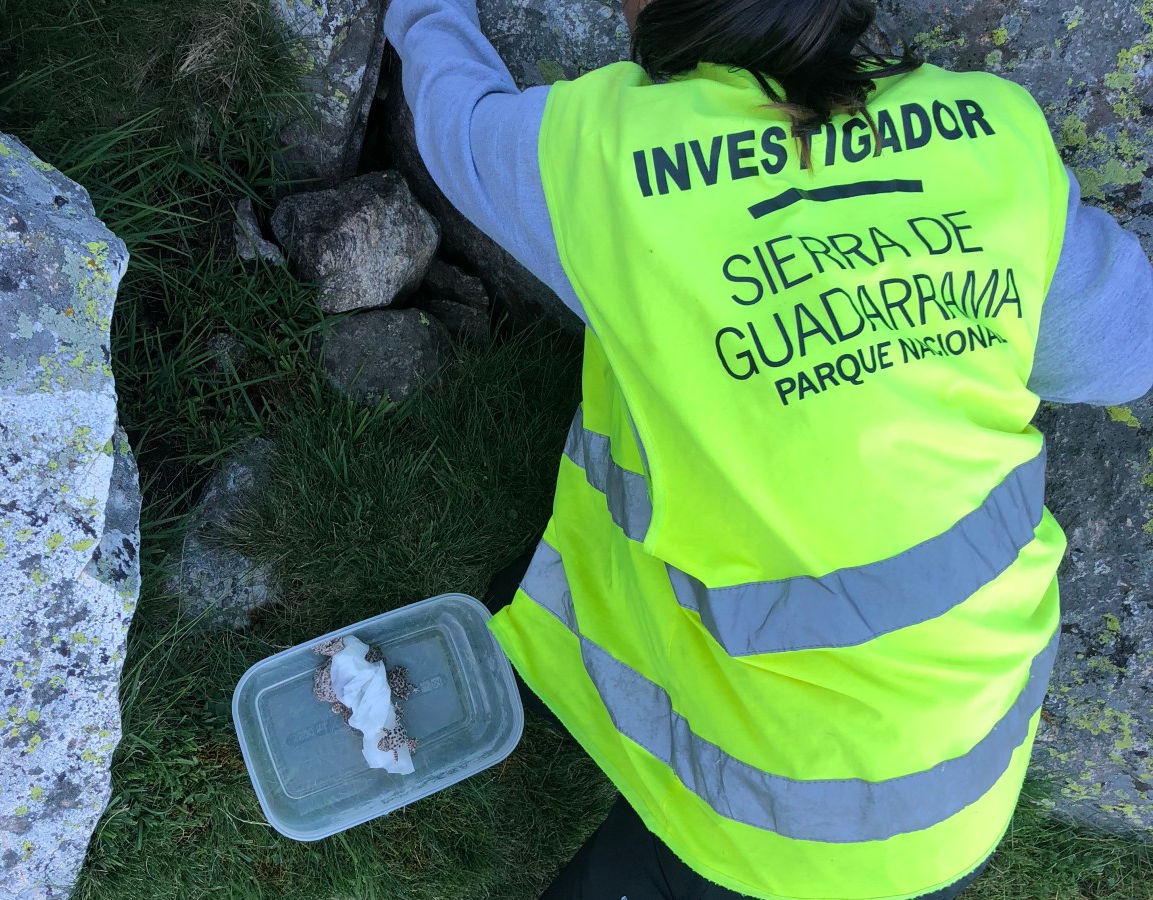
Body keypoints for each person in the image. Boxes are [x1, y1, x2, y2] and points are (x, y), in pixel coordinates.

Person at [384, 0, 1153, 897]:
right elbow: (1124, 353)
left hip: (771, 812)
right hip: (966, 768)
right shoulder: (993, 133)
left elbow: (458, 122)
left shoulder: (598, 156)